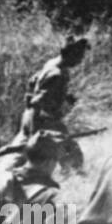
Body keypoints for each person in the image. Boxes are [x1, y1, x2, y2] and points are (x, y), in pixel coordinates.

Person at [13, 37, 89, 172]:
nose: (80, 61)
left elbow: (33, 82)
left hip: (31, 117)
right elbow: (37, 102)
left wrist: (64, 96)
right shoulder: (57, 74)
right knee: (74, 156)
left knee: (20, 158)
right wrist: (34, 134)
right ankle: (78, 182)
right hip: (44, 121)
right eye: (79, 57)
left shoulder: (52, 64)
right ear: (70, 54)